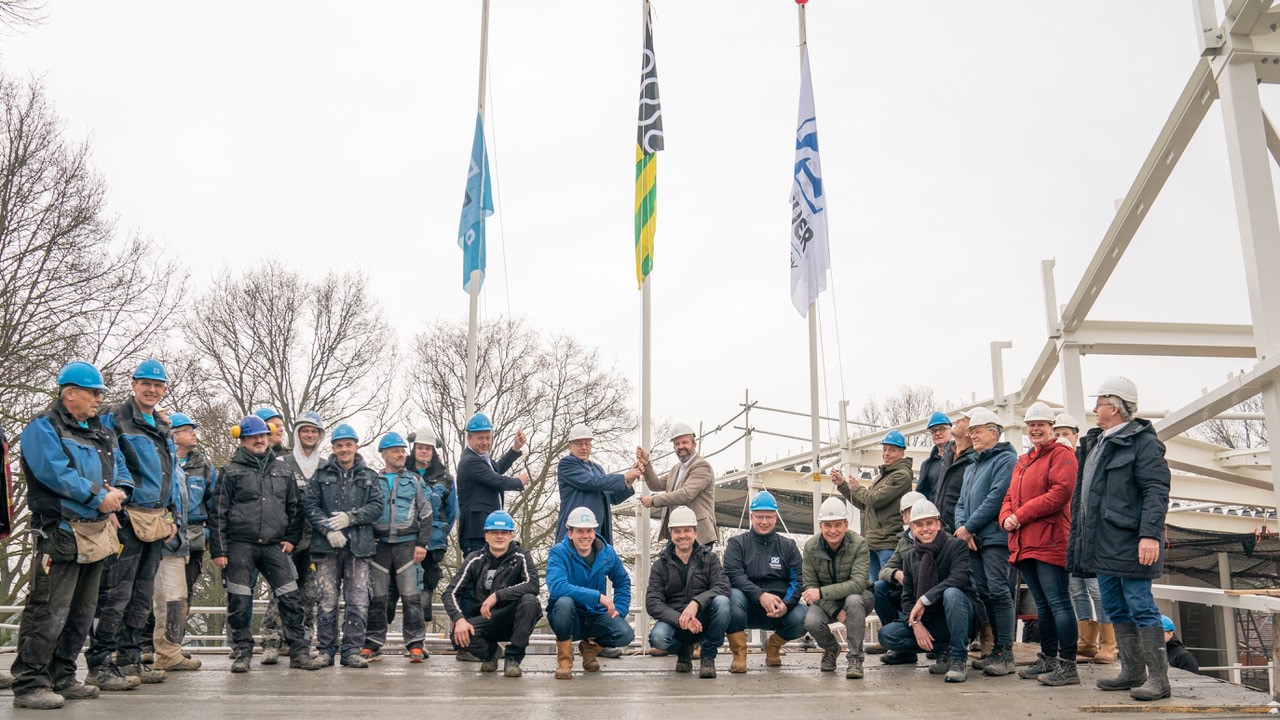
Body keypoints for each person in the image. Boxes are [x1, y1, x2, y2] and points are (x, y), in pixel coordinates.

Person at [11, 361, 132, 708]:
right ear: (70, 394)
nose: (99, 399)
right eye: (93, 393)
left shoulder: (101, 433)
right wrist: (99, 497)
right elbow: (55, 473)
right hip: (60, 531)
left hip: (96, 532)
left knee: (82, 611)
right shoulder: (44, 426)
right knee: (49, 609)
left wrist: (121, 493)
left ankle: (63, 675)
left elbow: (121, 469)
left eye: (100, 393)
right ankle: (30, 682)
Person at [1067, 376, 1172, 701]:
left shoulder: (1143, 443)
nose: (1095, 408)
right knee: (1114, 605)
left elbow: (1156, 490)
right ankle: (1132, 671)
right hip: (1103, 542)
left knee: (1140, 604)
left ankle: (1159, 680)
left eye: (1099, 402)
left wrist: (1149, 535)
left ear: (1114, 407)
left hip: (1130, 540)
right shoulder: (1097, 442)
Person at [87, 359, 182, 688]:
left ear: (164, 390)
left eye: (158, 385)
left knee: (142, 595)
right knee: (116, 593)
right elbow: (103, 458)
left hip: (156, 520)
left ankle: (129, 660)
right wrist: (107, 506)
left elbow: (170, 474)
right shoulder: (114, 417)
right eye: (146, 384)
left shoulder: (163, 426)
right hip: (125, 517)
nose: (151, 390)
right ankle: (101, 662)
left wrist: (173, 515)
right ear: (133, 385)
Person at [210, 416, 323, 673]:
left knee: (291, 599)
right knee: (239, 601)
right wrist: (219, 549)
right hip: (240, 545)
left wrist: (291, 539)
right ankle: (242, 653)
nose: (259, 440)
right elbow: (218, 512)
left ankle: (299, 652)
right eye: (252, 437)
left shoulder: (283, 470)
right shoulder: (230, 472)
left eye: (262, 435)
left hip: (274, 546)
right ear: (242, 440)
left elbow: (296, 508)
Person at [1000, 402, 1079, 686]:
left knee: (1058, 603)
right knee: (1044, 605)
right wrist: (1006, 517)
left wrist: (1019, 515)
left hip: (1050, 540)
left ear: (1051, 428)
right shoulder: (1024, 461)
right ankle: (1048, 657)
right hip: (1025, 542)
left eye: (1041, 425)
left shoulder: (1062, 455)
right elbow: (1010, 495)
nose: (1035, 429)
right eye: (1031, 425)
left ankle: (1068, 665)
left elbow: (1061, 493)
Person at [305, 423, 384, 668]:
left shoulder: (369, 476)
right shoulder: (320, 475)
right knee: (327, 599)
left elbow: (377, 507)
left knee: (358, 600)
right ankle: (326, 650)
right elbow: (310, 505)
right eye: (339, 445)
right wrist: (327, 529)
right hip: (326, 548)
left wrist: (351, 517)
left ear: (356, 447)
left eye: (348, 445)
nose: (344, 449)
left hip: (359, 548)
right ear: (333, 448)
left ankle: (351, 651)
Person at [877, 499, 979, 683]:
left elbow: (959, 578)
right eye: (919, 524)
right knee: (887, 635)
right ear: (912, 528)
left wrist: (925, 599)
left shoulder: (956, 545)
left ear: (938, 524)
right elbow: (908, 599)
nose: (925, 529)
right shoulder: (910, 556)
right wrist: (916, 625)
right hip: (931, 622)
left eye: (929, 523)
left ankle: (958, 659)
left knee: (952, 593)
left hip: (959, 616)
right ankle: (942, 649)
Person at [955, 408, 1018, 677]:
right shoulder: (971, 466)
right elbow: (960, 503)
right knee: (984, 593)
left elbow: (996, 498)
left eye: (977, 431)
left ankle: (1006, 652)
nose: (972, 435)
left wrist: (968, 527)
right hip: (974, 540)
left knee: (999, 591)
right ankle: (996, 651)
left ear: (994, 432)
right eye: (971, 431)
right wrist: (963, 528)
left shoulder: (1006, 460)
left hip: (994, 538)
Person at [442, 511, 541, 677]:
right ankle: (492, 653)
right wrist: (459, 619)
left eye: (504, 532)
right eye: (494, 532)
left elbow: (533, 585)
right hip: (487, 618)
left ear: (511, 536)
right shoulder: (474, 559)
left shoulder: (522, 556)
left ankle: (513, 659)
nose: (499, 536)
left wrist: (497, 596)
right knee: (458, 635)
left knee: (530, 601)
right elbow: (449, 592)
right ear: (486, 536)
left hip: (514, 618)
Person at [261, 410, 324, 665]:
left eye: (313, 431)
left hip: (317, 542)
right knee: (281, 591)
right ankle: (271, 641)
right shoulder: (281, 463)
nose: (309, 435)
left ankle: (301, 641)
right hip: (286, 539)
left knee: (309, 594)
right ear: (297, 433)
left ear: (319, 435)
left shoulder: (325, 466)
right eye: (304, 430)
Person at [362, 432, 432, 663]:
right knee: (377, 598)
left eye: (403, 451)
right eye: (395, 451)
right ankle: (372, 644)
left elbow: (427, 514)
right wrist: (368, 538)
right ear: (384, 454)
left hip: (408, 546)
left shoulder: (415, 480)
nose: (401, 455)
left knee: (412, 597)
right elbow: (364, 512)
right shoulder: (372, 480)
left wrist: (422, 543)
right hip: (379, 547)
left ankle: (415, 644)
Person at [546, 507, 634, 679]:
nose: (585, 536)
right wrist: (598, 597)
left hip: (595, 615)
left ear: (594, 532)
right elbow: (557, 587)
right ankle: (565, 661)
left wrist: (620, 609)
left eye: (589, 531)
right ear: (570, 533)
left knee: (625, 634)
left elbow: (622, 581)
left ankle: (590, 648)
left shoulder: (607, 553)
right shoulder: (559, 552)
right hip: (570, 617)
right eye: (580, 531)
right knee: (564, 602)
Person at [722, 490, 805, 673]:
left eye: (769, 517)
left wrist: (786, 604)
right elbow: (734, 575)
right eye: (760, 517)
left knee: (804, 617)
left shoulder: (788, 546)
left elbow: (798, 580)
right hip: (746, 608)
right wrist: (760, 595)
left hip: (778, 609)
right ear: (751, 517)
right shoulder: (737, 544)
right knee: (732, 596)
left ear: (776, 517)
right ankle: (739, 655)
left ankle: (773, 646)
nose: (764, 522)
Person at [1057, 413, 1116, 665]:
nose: (1061, 438)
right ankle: (1086, 641)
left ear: (1076, 435)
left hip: (1087, 533)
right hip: (1069, 535)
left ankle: (1109, 643)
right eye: (1057, 434)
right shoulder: (1057, 462)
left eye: (1065, 433)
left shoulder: (1084, 460)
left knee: (1096, 589)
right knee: (1077, 589)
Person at [646, 506, 730, 679]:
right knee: (658, 638)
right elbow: (653, 602)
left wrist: (696, 603)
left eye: (687, 530)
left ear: (695, 533)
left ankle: (708, 656)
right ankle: (683, 650)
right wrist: (679, 619)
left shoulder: (709, 559)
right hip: (674, 621)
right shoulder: (660, 565)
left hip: (703, 618)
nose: (682, 535)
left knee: (722, 602)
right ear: (671, 535)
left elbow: (722, 586)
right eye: (677, 531)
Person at [149, 412, 200, 674]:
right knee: (148, 600)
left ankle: (169, 653)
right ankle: (127, 654)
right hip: (153, 538)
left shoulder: (178, 465)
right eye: (188, 430)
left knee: (176, 600)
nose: (194, 434)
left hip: (177, 541)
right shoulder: (156, 459)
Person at [802, 497, 871, 679]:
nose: (833, 530)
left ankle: (855, 658)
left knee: (853, 601)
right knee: (812, 621)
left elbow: (858, 583)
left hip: (859, 597)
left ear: (846, 525)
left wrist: (821, 592)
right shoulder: (810, 547)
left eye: (838, 525)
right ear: (820, 526)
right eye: (828, 525)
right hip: (827, 601)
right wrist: (836, 610)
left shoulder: (859, 543)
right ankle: (831, 649)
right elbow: (810, 586)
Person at [830, 429, 913, 581]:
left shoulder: (901, 475)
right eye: (885, 449)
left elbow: (874, 499)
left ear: (901, 453)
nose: (886, 453)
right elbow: (866, 504)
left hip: (887, 544)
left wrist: (856, 487)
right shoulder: (883, 476)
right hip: (873, 543)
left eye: (892, 450)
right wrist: (843, 485)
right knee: (874, 587)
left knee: (887, 586)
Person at [456, 412, 528, 555]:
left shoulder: (483, 459)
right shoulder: (470, 461)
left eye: (488, 438)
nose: (485, 442)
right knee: (478, 568)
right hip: (476, 533)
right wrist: (519, 482)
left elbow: (497, 469)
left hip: (487, 531)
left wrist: (515, 449)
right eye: (480, 438)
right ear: (469, 438)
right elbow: (497, 481)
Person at [636, 422, 718, 546]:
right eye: (677, 444)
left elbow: (686, 494)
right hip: (677, 532)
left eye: (685, 442)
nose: (681, 447)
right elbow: (656, 485)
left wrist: (653, 501)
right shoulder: (676, 469)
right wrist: (647, 465)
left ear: (694, 444)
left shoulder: (701, 466)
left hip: (698, 535)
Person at [555, 423, 638, 544]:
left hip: (598, 534)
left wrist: (629, 480)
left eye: (587, 443)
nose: (584, 447)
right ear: (570, 446)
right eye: (579, 443)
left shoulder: (597, 468)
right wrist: (624, 476)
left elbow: (611, 497)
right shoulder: (567, 464)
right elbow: (592, 481)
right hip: (576, 533)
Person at [408, 426, 457, 631]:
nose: (423, 451)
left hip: (432, 543)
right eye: (420, 447)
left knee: (426, 589)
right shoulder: (402, 472)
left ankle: (418, 637)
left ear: (433, 451)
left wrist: (439, 532)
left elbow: (452, 511)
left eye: (427, 448)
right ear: (414, 448)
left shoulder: (445, 479)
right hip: (404, 539)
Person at [873, 490, 925, 648]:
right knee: (878, 588)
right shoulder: (904, 541)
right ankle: (897, 643)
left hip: (934, 597)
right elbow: (884, 570)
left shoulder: (942, 537)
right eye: (911, 512)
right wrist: (897, 574)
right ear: (905, 518)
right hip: (911, 593)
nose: (917, 514)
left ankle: (944, 647)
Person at [935, 410, 977, 534]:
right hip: (940, 528)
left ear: (969, 432)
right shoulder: (948, 454)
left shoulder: (974, 460)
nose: (957, 421)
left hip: (960, 530)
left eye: (963, 420)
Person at [915, 412, 953, 502]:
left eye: (942, 429)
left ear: (951, 431)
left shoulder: (959, 458)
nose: (937, 433)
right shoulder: (927, 465)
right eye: (933, 430)